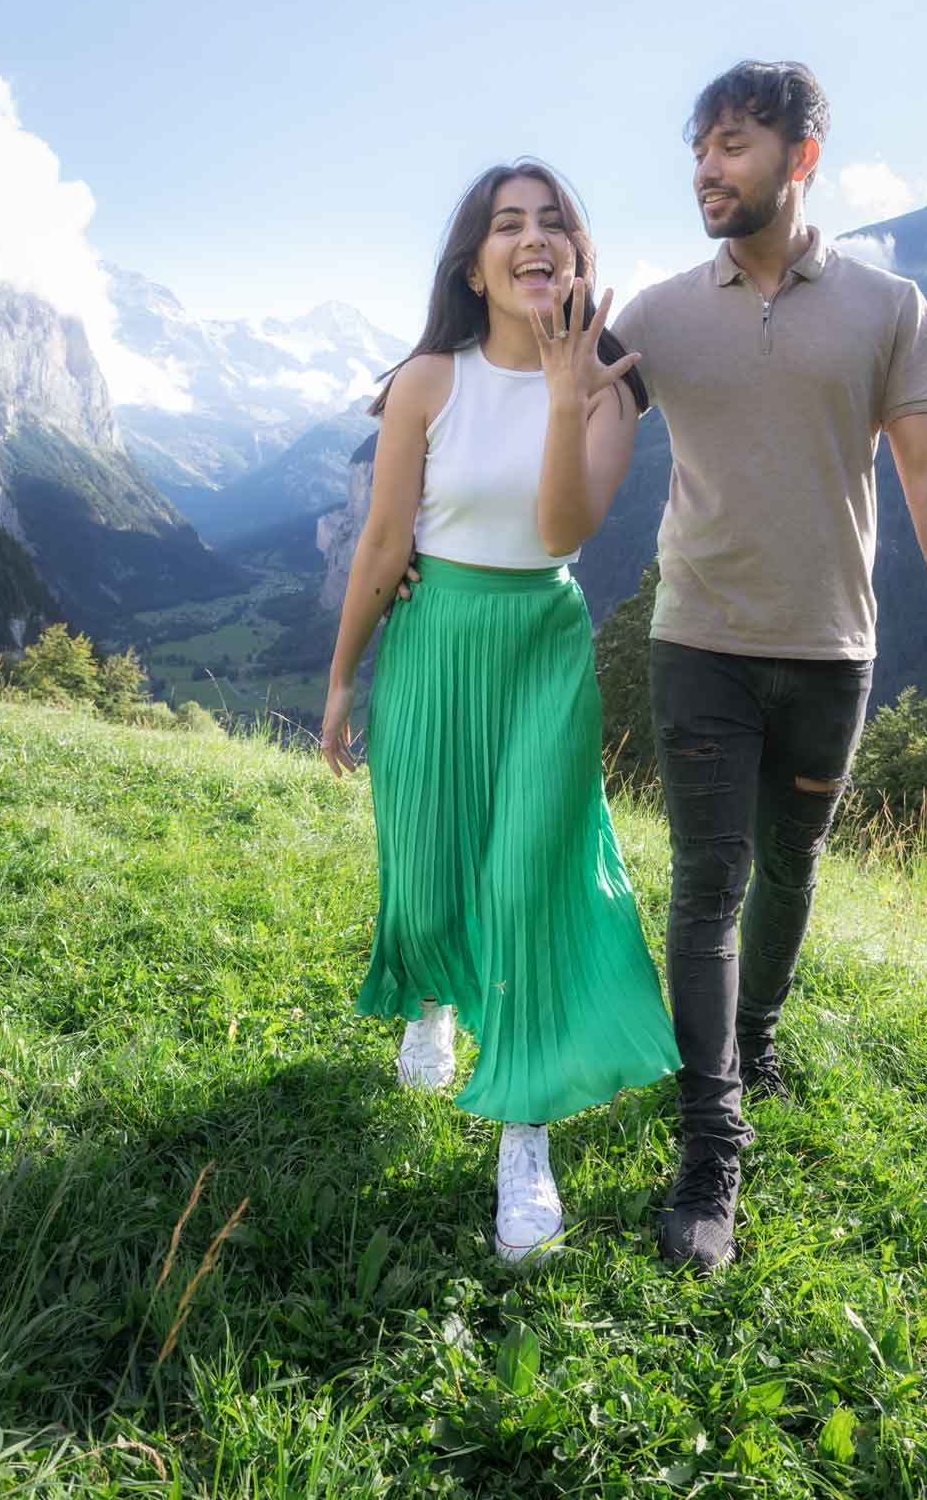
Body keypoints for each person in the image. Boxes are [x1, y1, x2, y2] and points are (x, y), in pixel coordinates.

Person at [608, 61, 927, 1274]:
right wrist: (421, 439)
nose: (706, 172)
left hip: (833, 651)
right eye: (698, 151)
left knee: (792, 868)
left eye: (732, 145)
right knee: (708, 882)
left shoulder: (889, 307)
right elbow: (548, 397)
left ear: (801, 158)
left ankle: (755, 1033)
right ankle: (710, 1147)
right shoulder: (662, 313)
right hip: (701, 642)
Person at [320, 159, 679, 1266]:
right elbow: (385, 544)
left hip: (540, 644)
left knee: (530, 877)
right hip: (434, 641)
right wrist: (341, 680)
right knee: (425, 859)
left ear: (577, 256)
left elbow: (563, 528)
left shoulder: (611, 388)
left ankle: (525, 1128)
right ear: (474, 267)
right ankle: (431, 993)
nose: (532, 240)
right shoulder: (427, 382)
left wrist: (570, 395)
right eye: (507, 226)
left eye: (552, 224)